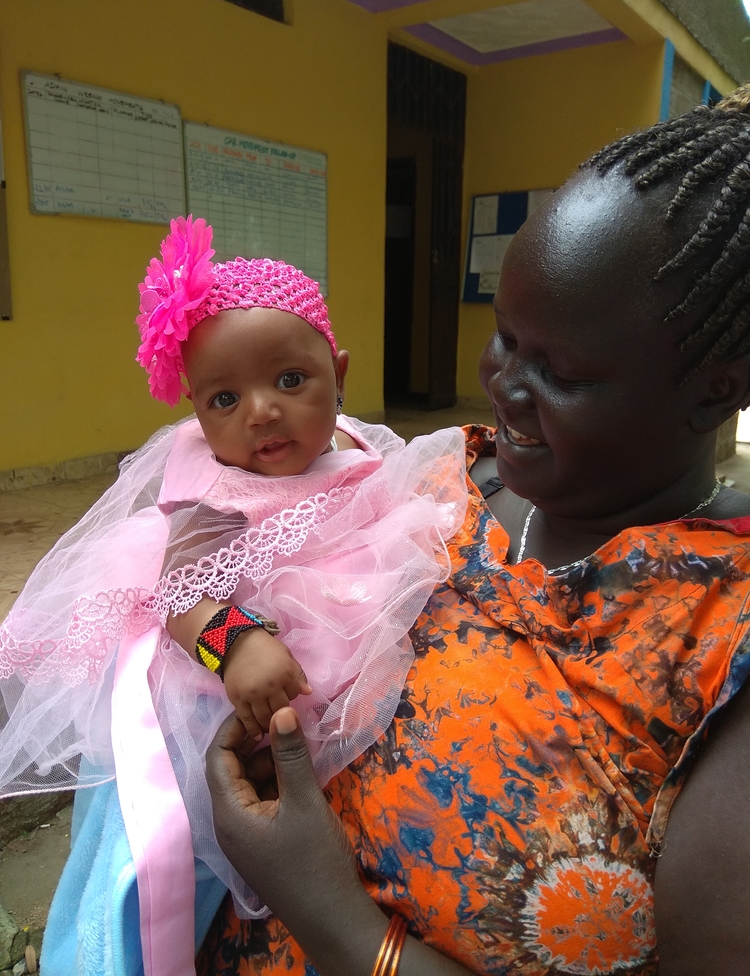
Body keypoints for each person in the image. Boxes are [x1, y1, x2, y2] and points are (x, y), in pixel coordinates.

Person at [197, 89, 750, 976]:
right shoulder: (428, 475)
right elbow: (186, 580)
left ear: (717, 391)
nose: (500, 382)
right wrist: (232, 647)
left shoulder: (721, 637)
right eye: (504, 337)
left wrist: (331, 915)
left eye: (559, 371)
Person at [0, 219, 466, 976]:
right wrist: (235, 641)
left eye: (290, 380)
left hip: (315, 665)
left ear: (337, 372)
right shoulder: (210, 486)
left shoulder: (354, 444)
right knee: (154, 856)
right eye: (223, 398)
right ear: (194, 408)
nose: (260, 411)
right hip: (203, 699)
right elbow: (177, 588)